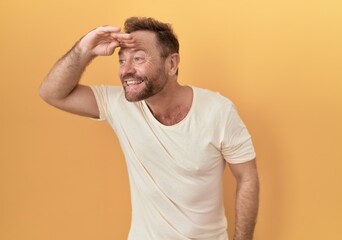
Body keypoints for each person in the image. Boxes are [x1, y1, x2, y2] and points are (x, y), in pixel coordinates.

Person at [39, 17, 259, 240]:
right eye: (122, 60)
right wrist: (85, 48)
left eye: (138, 58)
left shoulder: (218, 111)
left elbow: (247, 176)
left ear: (171, 64)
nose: (126, 70)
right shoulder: (119, 105)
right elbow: (51, 92)